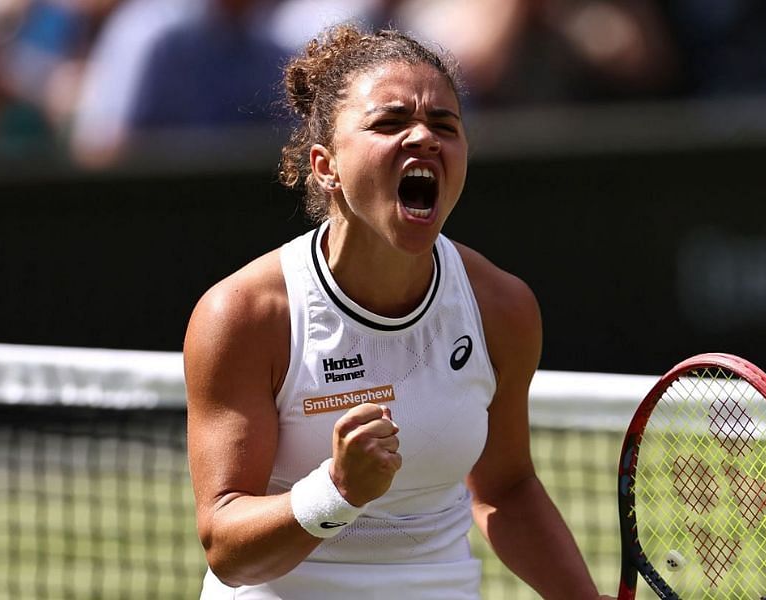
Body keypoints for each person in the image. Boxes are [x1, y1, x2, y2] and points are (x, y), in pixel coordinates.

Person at [184, 24, 612, 599]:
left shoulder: (501, 308)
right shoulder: (244, 314)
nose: (424, 138)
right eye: (390, 123)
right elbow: (227, 551)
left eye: (445, 125)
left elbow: (506, 489)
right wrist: (337, 491)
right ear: (325, 166)